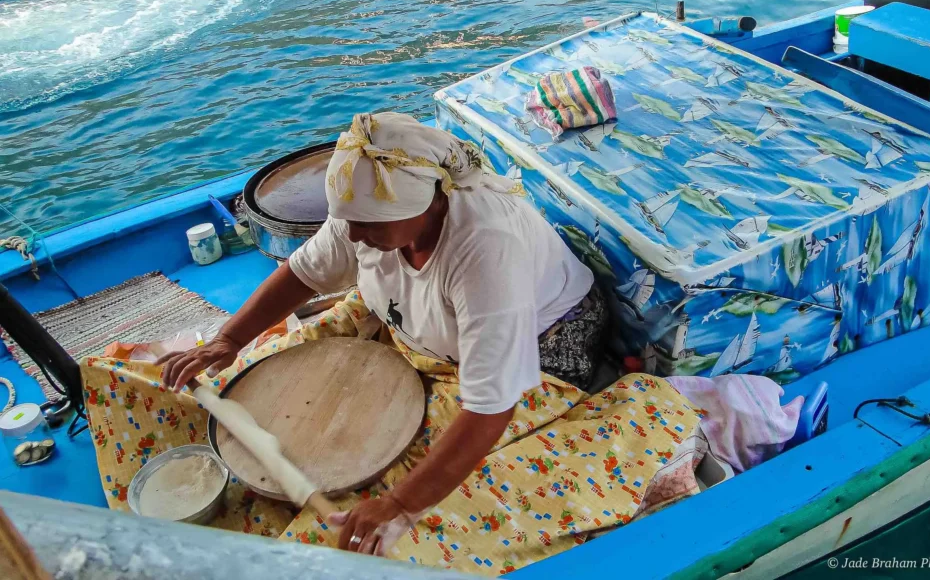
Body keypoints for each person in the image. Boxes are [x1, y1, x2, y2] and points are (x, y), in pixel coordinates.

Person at [159, 112, 606, 556]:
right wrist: (230, 340)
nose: (353, 234)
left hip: (539, 345)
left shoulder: (485, 249)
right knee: (273, 383)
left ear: (428, 203)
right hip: (416, 321)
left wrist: (399, 505)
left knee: (405, 483)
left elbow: (490, 407)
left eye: (369, 225)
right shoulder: (367, 208)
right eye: (347, 220)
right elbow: (303, 274)